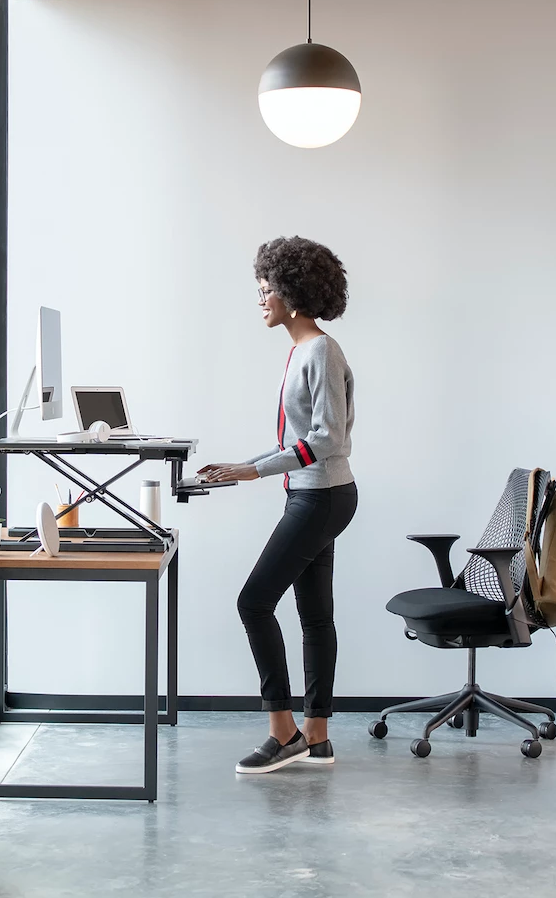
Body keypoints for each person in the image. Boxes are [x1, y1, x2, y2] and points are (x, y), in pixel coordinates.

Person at [199, 235, 358, 775]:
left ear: (291, 292)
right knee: (315, 616)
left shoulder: (320, 350)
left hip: (324, 496)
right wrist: (240, 469)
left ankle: (282, 732)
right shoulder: (302, 350)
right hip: (315, 494)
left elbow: (328, 439)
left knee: (253, 603)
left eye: (266, 289)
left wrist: (253, 471)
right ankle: (317, 735)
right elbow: (299, 439)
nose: (260, 299)